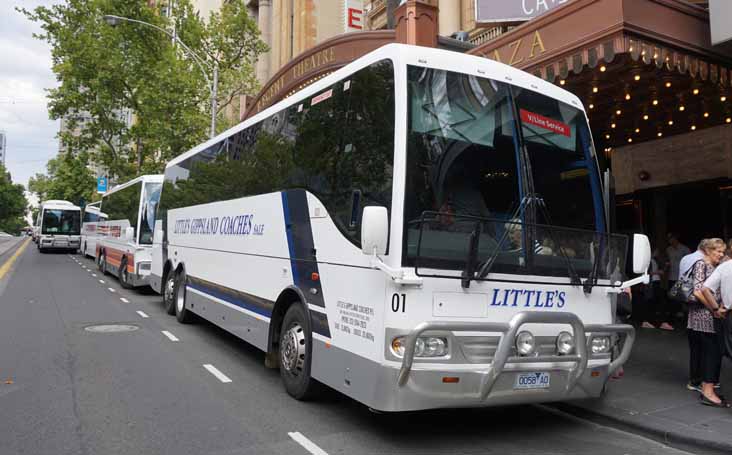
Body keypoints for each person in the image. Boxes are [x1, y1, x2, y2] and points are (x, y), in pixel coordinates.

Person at [688, 238, 728, 407]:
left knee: (710, 350)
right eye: (717, 251)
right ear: (709, 250)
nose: (720, 254)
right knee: (709, 350)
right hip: (702, 316)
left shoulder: (716, 266)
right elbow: (698, 291)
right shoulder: (701, 264)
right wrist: (713, 309)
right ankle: (705, 386)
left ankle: (705, 383)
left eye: (722, 251)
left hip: (712, 315)